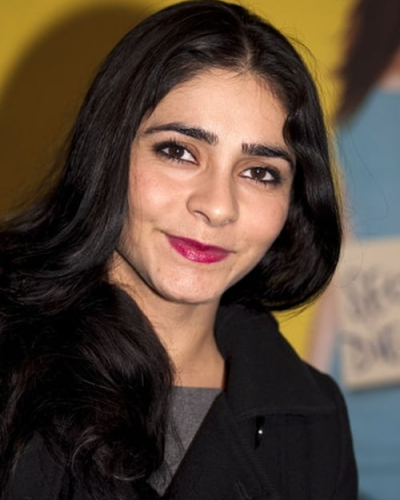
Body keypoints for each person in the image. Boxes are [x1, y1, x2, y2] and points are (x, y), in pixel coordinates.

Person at [0, 1, 357, 499]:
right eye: (179, 151)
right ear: (108, 151)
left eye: (260, 173)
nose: (218, 206)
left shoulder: (315, 420)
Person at [308, 1, 400, 499]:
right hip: (368, 342)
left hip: (367, 341)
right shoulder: (360, 105)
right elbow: (346, 256)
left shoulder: (358, 104)